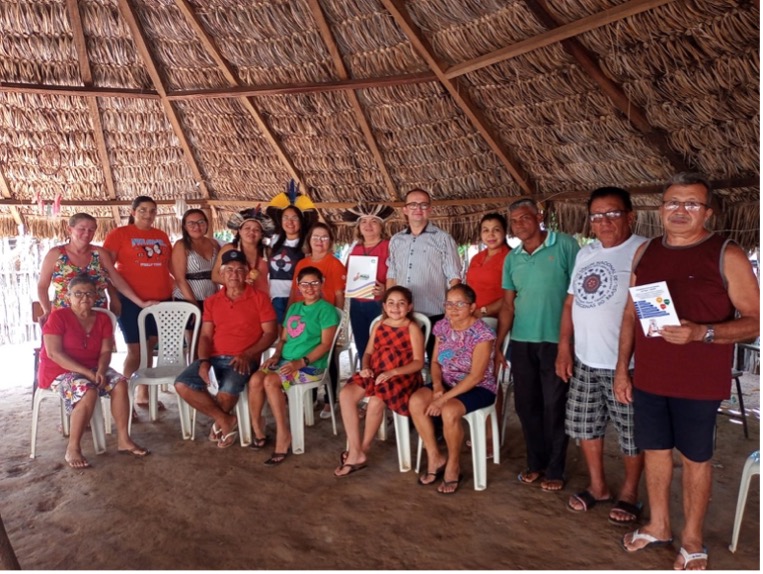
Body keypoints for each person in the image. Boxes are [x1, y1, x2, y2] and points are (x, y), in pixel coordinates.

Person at [616, 173, 759, 570]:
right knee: (656, 452)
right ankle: (659, 525)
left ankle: (692, 539)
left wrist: (703, 332)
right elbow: (631, 313)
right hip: (649, 376)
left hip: (698, 382)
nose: (680, 211)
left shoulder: (725, 253)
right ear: (660, 209)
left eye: (691, 204)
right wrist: (621, 370)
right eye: (672, 203)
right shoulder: (645, 252)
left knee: (696, 458)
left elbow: (755, 321)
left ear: (707, 212)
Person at [554, 187, 647, 523]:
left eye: (613, 213)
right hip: (585, 360)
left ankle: (630, 492)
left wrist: (626, 366)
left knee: (632, 433)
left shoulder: (644, 251)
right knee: (584, 426)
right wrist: (564, 347)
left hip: (626, 364)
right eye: (597, 215)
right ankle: (598, 487)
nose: (604, 221)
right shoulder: (586, 253)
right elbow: (569, 303)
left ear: (630, 216)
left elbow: (648, 313)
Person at [496, 198, 579, 492]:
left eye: (524, 218)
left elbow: (578, 297)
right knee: (526, 405)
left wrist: (568, 344)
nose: (519, 225)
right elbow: (508, 305)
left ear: (539, 216)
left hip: (557, 341)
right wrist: (498, 343)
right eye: (514, 221)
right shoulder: (513, 258)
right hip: (521, 341)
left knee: (554, 405)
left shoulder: (566, 246)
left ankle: (555, 468)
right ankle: (535, 463)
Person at [38, 275, 150, 468]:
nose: (84, 297)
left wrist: (101, 369)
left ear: (97, 295)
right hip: (59, 370)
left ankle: (124, 439)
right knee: (87, 390)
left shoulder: (103, 319)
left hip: (93, 366)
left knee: (120, 383)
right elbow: (54, 354)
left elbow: (106, 350)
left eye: (89, 293)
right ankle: (73, 447)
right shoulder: (58, 317)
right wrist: (89, 374)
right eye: (78, 293)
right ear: (68, 296)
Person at [174, 250, 278, 448]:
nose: (234, 274)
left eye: (240, 270)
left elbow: (270, 333)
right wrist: (203, 361)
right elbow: (205, 336)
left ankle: (221, 422)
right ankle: (225, 420)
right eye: (229, 270)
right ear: (221, 275)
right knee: (182, 384)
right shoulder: (213, 301)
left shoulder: (260, 298)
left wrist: (248, 354)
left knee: (227, 389)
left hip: (243, 358)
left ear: (247, 273)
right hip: (213, 357)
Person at [409, 284, 497, 494]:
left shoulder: (483, 334)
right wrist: (438, 386)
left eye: (460, 304)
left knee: (449, 411)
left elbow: (476, 376)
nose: (453, 309)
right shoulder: (442, 326)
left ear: (472, 306)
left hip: (478, 387)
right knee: (416, 401)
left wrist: (442, 399)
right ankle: (435, 457)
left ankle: (453, 465)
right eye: (449, 304)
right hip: (447, 381)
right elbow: (436, 362)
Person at [249, 267, 339, 465]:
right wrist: (276, 355)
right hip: (285, 361)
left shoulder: (327, 310)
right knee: (256, 379)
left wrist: (300, 362)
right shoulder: (294, 308)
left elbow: (325, 345)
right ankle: (258, 430)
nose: (309, 288)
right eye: (304, 284)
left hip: (311, 366)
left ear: (322, 283)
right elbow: (283, 338)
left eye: (314, 283)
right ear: (298, 287)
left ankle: (283, 434)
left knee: (271, 381)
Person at [334, 286, 424, 477]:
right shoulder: (379, 325)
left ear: (409, 307)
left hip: (402, 376)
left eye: (401, 303)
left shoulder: (412, 328)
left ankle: (360, 451)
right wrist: (366, 367)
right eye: (391, 303)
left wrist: (393, 372)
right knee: (346, 394)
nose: (395, 307)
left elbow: (418, 362)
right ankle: (355, 449)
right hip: (376, 372)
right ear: (384, 306)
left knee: (376, 400)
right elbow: (367, 352)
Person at [103, 196, 174, 410]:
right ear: (133, 212)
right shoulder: (119, 234)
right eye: (143, 210)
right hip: (130, 300)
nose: (148, 214)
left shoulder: (161, 235)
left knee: (150, 346)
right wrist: (113, 297)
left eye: (152, 210)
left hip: (161, 300)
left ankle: (143, 394)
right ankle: (124, 401)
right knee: (135, 350)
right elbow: (108, 269)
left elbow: (169, 266)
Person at [37, 212, 153, 324]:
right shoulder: (55, 254)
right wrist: (46, 310)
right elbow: (42, 286)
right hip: (63, 316)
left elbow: (116, 280)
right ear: (69, 229)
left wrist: (140, 303)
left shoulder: (100, 253)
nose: (87, 233)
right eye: (82, 229)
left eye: (91, 230)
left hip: (97, 315)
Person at [387, 188, 462, 358]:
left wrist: (452, 310)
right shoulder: (396, 240)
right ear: (405, 209)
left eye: (423, 204)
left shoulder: (443, 238)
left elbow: (454, 277)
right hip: (401, 313)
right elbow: (392, 274)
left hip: (434, 311)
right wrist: (388, 305)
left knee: (437, 361)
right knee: (403, 361)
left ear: (430, 209)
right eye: (413, 204)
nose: (418, 209)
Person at [289, 222, 347, 419]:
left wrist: (338, 324)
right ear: (309, 241)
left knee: (326, 355)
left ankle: (331, 401)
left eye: (324, 237)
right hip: (303, 318)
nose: (320, 241)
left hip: (324, 319)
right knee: (305, 353)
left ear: (330, 241)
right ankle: (311, 397)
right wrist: (290, 315)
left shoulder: (335, 263)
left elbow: (339, 294)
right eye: (316, 237)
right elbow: (294, 291)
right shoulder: (302, 264)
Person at [342, 204, 395, 361]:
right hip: (357, 304)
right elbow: (348, 275)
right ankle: (365, 378)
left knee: (382, 345)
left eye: (373, 221)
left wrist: (386, 289)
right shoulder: (355, 249)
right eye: (364, 221)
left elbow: (399, 273)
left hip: (379, 304)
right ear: (359, 226)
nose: (368, 225)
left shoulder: (389, 246)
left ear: (381, 226)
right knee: (362, 345)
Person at [266, 181, 318, 325]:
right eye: (286, 217)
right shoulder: (273, 240)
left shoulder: (308, 244)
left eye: (294, 218)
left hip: (297, 297)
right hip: (274, 296)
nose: (290, 221)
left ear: (301, 221)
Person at [212, 207, 271, 293]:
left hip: (261, 301)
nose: (251, 232)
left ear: (262, 234)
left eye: (256, 229)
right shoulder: (229, 249)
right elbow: (215, 276)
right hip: (236, 300)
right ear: (239, 231)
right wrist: (237, 282)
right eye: (247, 228)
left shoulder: (268, 251)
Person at [465, 213, 511, 320]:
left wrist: (483, 311)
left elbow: (513, 296)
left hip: (497, 319)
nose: (491, 235)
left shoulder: (511, 258)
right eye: (486, 230)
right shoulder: (476, 258)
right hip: (472, 316)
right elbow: (468, 289)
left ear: (504, 232)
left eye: (496, 230)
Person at [172, 208, 219, 309]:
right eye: (191, 223)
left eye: (201, 222)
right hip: (186, 301)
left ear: (206, 223)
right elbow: (180, 279)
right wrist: (193, 305)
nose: (196, 226)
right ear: (185, 227)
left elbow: (218, 273)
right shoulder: (181, 245)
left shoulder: (214, 244)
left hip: (211, 299)